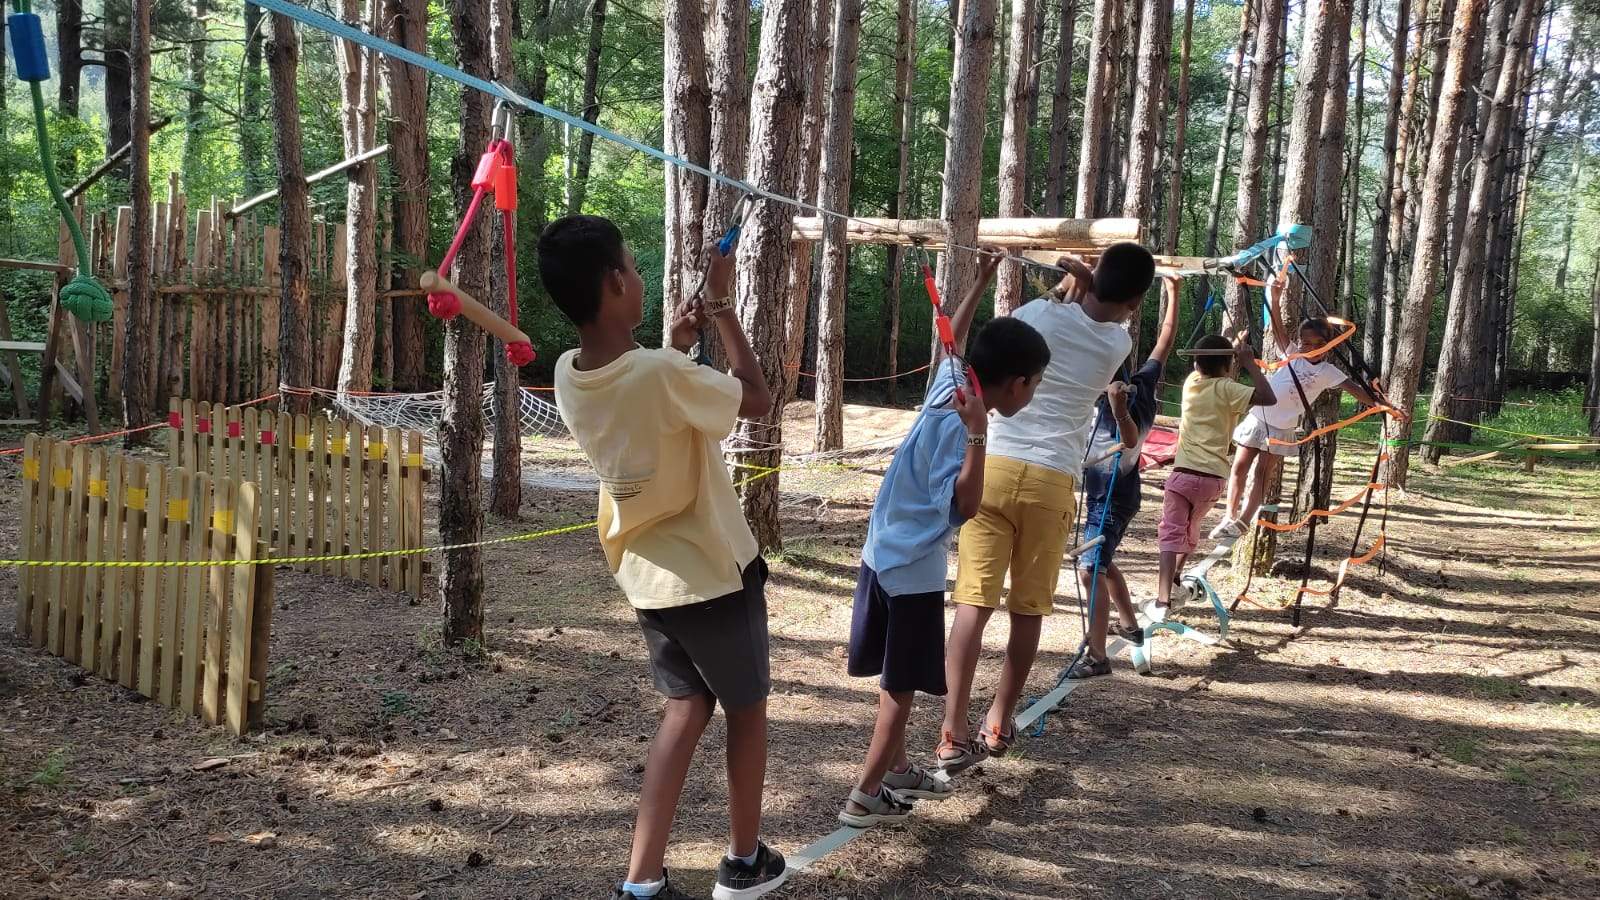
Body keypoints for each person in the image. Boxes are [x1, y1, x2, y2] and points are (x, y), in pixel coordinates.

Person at [542, 214, 785, 900]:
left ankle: (642, 880)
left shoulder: (569, 374)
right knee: (746, 709)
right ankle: (744, 862)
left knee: (686, 707)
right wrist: (723, 307)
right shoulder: (658, 374)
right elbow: (758, 400)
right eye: (632, 266)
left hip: (648, 577)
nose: (640, 276)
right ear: (615, 283)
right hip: (710, 571)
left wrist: (675, 349)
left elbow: (641, 393)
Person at [839, 252, 1050, 829]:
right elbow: (966, 505)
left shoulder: (956, 379)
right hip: (911, 566)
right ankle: (865, 794)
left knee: (895, 674)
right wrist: (979, 436)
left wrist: (979, 282)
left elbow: (950, 340)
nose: (1032, 395)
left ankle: (898, 770)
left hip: (880, 551)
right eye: (1034, 386)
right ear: (1018, 383)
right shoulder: (965, 418)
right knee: (901, 686)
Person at [936, 242, 1155, 774]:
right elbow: (1095, 310)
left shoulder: (1039, 315)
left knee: (972, 605)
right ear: (1134, 300)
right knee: (1028, 609)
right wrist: (1086, 279)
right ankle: (999, 720)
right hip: (1052, 481)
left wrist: (1070, 280)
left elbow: (1031, 321)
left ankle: (952, 730)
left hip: (993, 466)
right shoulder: (1118, 343)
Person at [1066, 275, 1182, 679]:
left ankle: (1097, 657)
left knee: (1090, 570)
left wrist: (1116, 409)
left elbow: (1129, 438)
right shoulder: (1143, 379)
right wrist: (1173, 292)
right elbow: (1164, 340)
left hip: (1112, 498)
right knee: (1102, 561)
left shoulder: (1128, 400)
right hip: (1109, 494)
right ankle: (1130, 624)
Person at [1213, 311, 1383, 540]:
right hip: (1258, 418)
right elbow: (1277, 329)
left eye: (1319, 344)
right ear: (1299, 342)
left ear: (1329, 345)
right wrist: (1274, 300)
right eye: (1306, 343)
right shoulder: (1292, 354)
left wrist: (1385, 405)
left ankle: (1243, 521)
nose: (1311, 348)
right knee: (1239, 467)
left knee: (1262, 473)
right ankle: (1229, 516)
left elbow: (1357, 391)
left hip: (1281, 428)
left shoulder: (1328, 372)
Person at [1151, 334, 1274, 617]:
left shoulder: (1191, 384)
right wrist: (1249, 364)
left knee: (1170, 534)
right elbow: (1268, 397)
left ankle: (1162, 600)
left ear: (1197, 364)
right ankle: (1176, 578)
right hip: (1212, 479)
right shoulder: (1229, 389)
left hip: (1182, 475)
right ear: (1229, 366)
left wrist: (1232, 347)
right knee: (1191, 529)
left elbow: (1210, 361)